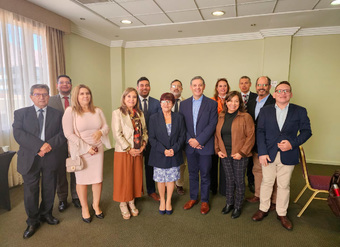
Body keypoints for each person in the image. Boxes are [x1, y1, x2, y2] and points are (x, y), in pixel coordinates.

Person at [252, 81, 312, 230]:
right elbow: (260, 132)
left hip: (288, 154)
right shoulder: (266, 111)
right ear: (274, 94)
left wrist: (292, 143)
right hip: (268, 154)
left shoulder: (300, 111)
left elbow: (306, 131)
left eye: (286, 91)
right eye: (279, 91)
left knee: (283, 185)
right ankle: (263, 209)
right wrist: (262, 152)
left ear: (290, 94)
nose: (283, 93)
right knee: (266, 182)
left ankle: (282, 213)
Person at [13, 84, 66, 239]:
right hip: (30, 157)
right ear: (31, 97)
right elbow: (18, 134)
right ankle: (32, 220)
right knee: (31, 191)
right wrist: (39, 146)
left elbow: (63, 134)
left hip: (51, 156)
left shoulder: (57, 114)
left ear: (49, 96)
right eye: (37, 94)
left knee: (49, 188)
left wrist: (49, 145)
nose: (41, 97)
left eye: (45, 94)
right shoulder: (21, 113)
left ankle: (46, 214)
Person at [62, 84, 111, 223]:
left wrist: (101, 132)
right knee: (82, 181)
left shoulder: (97, 110)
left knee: (97, 179)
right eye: (82, 94)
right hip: (80, 150)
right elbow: (68, 133)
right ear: (76, 96)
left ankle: (95, 205)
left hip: (98, 149)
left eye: (87, 93)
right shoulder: (70, 111)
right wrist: (86, 148)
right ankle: (84, 207)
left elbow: (106, 126)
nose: (85, 96)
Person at [180, 76, 218, 215]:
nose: (197, 88)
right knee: (192, 173)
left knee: (206, 174)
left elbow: (212, 124)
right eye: (194, 85)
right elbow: (181, 125)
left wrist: (199, 141)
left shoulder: (211, 104)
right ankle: (193, 198)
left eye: (200, 85)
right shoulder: (183, 105)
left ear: (204, 86)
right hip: (190, 146)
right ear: (190, 87)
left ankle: (205, 201)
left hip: (205, 146)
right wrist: (191, 140)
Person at [214, 91, 255, 219]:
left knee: (239, 180)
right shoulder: (221, 116)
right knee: (229, 179)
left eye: (236, 101)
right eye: (230, 101)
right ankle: (229, 203)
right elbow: (216, 135)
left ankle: (238, 206)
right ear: (226, 102)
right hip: (225, 154)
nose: (233, 104)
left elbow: (251, 136)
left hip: (239, 154)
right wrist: (217, 149)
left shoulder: (245, 117)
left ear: (240, 103)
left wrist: (242, 153)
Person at [112, 87, 148, 219]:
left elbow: (144, 131)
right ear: (124, 98)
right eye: (129, 97)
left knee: (134, 176)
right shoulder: (117, 113)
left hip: (138, 151)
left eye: (134, 97)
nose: (132, 99)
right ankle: (123, 203)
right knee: (123, 178)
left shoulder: (139, 113)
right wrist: (128, 148)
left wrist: (143, 145)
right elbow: (117, 134)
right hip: (124, 151)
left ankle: (131, 201)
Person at [148, 93, 186, 215]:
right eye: (163, 102)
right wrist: (163, 150)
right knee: (160, 179)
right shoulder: (154, 118)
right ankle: (162, 200)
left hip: (174, 153)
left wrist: (173, 150)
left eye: (169, 102)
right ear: (160, 104)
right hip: (159, 153)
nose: (166, 104)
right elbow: (152, 138)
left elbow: (182, 136)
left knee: (170, 179)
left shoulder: (179, 117)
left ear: (173, 104)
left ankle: (168, 201)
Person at [48, 75, 81, 211]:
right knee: (60, 171)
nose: (65, 85)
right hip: (58, 141)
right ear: (57, 85)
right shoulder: (50, 101)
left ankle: (76, 196)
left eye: (68, 82)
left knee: (76, 169)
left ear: (71, 85)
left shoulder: (77, 100)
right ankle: (62, 199)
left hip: (75, 139)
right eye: (62, 83)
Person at [246, 76, 277, 206]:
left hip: (269, 144)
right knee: (257, 170)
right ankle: (258, 195)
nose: (261, 87)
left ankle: (274, 200)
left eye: (264, 85)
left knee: (271, 174)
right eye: (259, 85)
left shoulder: (275, 101)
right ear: (256, 86)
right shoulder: (252, 101)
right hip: (254, 143)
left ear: (269, 87)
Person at [136, 77, 161, 201]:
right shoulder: (132, 101)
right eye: (142, 85)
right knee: (135, 167)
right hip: (135, 142)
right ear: (137, 87)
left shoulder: (157, 103)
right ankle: (136, 191)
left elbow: (159, 122)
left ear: (150, 87)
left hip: (151, 141)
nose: (144, 87)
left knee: (150, 166)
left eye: (147, 85)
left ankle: (151, 190)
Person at [211, 78, 230, 196]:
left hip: (227, 136)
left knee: (225, 165)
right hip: (214, 135)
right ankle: (213, 188)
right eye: (220, 86)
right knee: (212, 164)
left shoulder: (232, 100)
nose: (222, 88)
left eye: (225, 86)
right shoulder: (212, 101)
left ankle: (225, 189)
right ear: (216, 88)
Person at [239, 75, 257, 194]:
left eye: (246, 83)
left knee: (250, 161)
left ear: (250, 84)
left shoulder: (256, 97)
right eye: (241, 83)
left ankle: (251, 182)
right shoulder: (235, 97)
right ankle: (238, 183)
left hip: (251, 132)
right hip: (238, 134)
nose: (244, 85)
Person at [170, 79, 186, 195]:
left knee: (181, 163)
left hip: (182, 138)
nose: (176, 88)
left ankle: (179, 184)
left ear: (182, 89)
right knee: (168, 162)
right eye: (174, 86)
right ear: (170, 88)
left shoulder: (186, 103)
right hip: (168, 137)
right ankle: (168, 183)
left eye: (178, 86)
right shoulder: (165, 102)